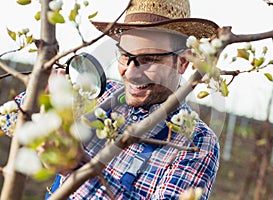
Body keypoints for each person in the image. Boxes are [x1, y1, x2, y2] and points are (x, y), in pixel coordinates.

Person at [1, 0, 220, 199]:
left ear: (182, 62)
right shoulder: (99, 93)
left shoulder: (197, 143)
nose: (131, 73)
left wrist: (75, 167)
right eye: (125, 56)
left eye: (149, 60)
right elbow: (9, 119)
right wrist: (43, 105)